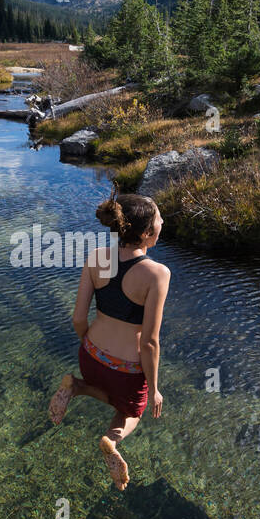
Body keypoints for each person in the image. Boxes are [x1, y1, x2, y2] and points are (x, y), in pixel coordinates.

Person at [48, 189, 170, 491]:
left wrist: (89, 346)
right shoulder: (157, 274)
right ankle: (111, 439)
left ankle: (75, 386)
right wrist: (154, 389)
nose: (163, 222)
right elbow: (149, 343)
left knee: (106, 389)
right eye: (159, 220)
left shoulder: (96, 258)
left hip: (90, 355)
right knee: (132, 410)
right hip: (126, 368)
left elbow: (78, 318)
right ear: (145, 233)